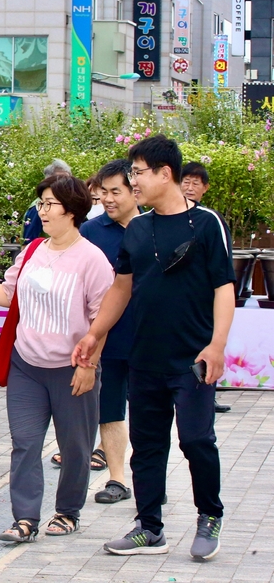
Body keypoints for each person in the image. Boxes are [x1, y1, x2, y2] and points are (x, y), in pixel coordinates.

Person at [72, 134, 234, 561]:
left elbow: (223, 288)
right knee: (147, 444)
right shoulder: (138, 229)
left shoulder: (207, 224)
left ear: (166, 174)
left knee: (197, 439)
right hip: (144, 357)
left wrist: (216, 346)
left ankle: (210, 515)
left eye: (138, 173)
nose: (133, 180)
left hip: (192, 359)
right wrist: (94, 333)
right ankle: (149, 526)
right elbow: (121, 289)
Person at [0, 174, 113, 544]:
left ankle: (67, 511)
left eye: (50, 204)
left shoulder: (92, 259)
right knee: (26, 443)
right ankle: (25, 518)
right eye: (41, 203)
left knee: (76, 448)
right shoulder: (32, 250)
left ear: (72, 211)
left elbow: (102, 318)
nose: (42, 211)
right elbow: (7, 294)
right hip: (27, 367)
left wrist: (89, 365)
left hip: (71, 370)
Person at [78, 159, 139, 504]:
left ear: (135, 190)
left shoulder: (153, 228)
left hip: (149, 339)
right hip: (107, 340)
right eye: (103, 193)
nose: (108, 199)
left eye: (115, 191)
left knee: (148, 413)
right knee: (110, 409)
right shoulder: (91, 232)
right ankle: (117, 479)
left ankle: (149, 479)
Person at [180, 162, 230, 413]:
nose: (189, 187)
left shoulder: (211, 221)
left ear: (205, 188)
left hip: (203, 310)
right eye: (185, 181)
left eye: (195, 183)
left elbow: (223, 276)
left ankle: (207, 395)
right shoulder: (157, 219)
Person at [22, 159, 72, 244]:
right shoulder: (37, 208)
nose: (65, 184)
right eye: (61, 180)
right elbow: (28, 245)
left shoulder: (69, 204)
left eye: (68, 180)